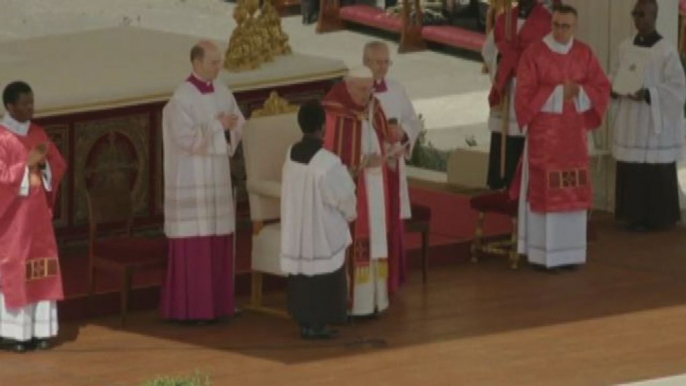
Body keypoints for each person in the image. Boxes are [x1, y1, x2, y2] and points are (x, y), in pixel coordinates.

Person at [511, 5, 611, 270]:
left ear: (574, 27)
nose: (560, 30)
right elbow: (523, 95)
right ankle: (542, 255)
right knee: (545, 192)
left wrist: (579, 91)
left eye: (566, 26)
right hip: (544, 140)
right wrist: (558, 94)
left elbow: (601, 87)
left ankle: (571, 254)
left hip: (574, 139)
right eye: (556, 24)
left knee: (572, 192)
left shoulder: (584, 53)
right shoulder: (535, 53)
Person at [161, 40, 246, 322]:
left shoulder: (223, 91)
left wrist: (231, 126)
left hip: (217, 176)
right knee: (195, 243)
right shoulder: (181, 98)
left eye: (220, 62)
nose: (219, 67)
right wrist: (217, 125)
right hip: (192, 176)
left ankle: (219, 306)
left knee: (217, 236)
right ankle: (193, 309)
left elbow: (238, 122)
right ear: (197, 63)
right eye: (214, 62)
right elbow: (183, 139)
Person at [280, 100, 357, 340]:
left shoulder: (291, 153)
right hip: (320, 228)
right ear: (324, 127)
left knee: (303, 276)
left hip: (298, 226)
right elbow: (343, 197)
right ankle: (319, 324)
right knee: (324, 275)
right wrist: (350, 212)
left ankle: (304, 322)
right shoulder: (328, 162)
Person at [0, 81, 67, 352]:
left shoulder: (38, 132)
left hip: (38, 217)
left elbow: (58, 165)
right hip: (14, 220)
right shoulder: (2, 138)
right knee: (16, 269)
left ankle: (40, 331)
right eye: (25, 103)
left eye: (32, 102)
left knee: (41, 270)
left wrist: (45, 166)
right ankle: (15, 334)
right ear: (9, 106)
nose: (31, 108)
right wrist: (25, 166)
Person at [322, 66, 392, 317]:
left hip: (374, 184)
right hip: (351, 190)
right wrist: (359, 165)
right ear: (348, 86)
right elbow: (329, 158)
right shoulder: (335, 111)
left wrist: (387, 155)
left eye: (370, 88)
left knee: (375, 237)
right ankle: (352, 303)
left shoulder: (373, 107)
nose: (367, 94)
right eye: (362, 89)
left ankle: (376, 300)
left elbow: (383, 139)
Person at [612, 0, 686, 231]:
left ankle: (658, 217)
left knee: (653, 166)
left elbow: (677, 87)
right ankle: (631, 215)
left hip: (652, 119)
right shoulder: (625, 47)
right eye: (634, 14)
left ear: (654, 15)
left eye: (642, 14)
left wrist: (648, 93)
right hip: (630, 118)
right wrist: (614, 87)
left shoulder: (666, 50)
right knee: (632, 166)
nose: (637, 19)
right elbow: (614, 74)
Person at [363, 41, 421, 295]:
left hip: (393, 162)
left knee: (392, 220)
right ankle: (371, 281)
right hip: (371, 165)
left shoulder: (396, 89)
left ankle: (393, 277)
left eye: (387, 61)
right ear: (365, 61)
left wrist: (403, 132)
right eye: (378, 61)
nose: (383, 67)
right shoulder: (357, 88)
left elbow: (412, 119)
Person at [485, 0, 552, 190]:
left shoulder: (546, 21)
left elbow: (550, 56)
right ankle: (499, 181)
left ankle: (521, 186)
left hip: (529, 88)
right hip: (507, 85)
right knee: (503, 135)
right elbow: (489, 51)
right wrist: (501, 64)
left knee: (524, 135)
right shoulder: (504, 20)